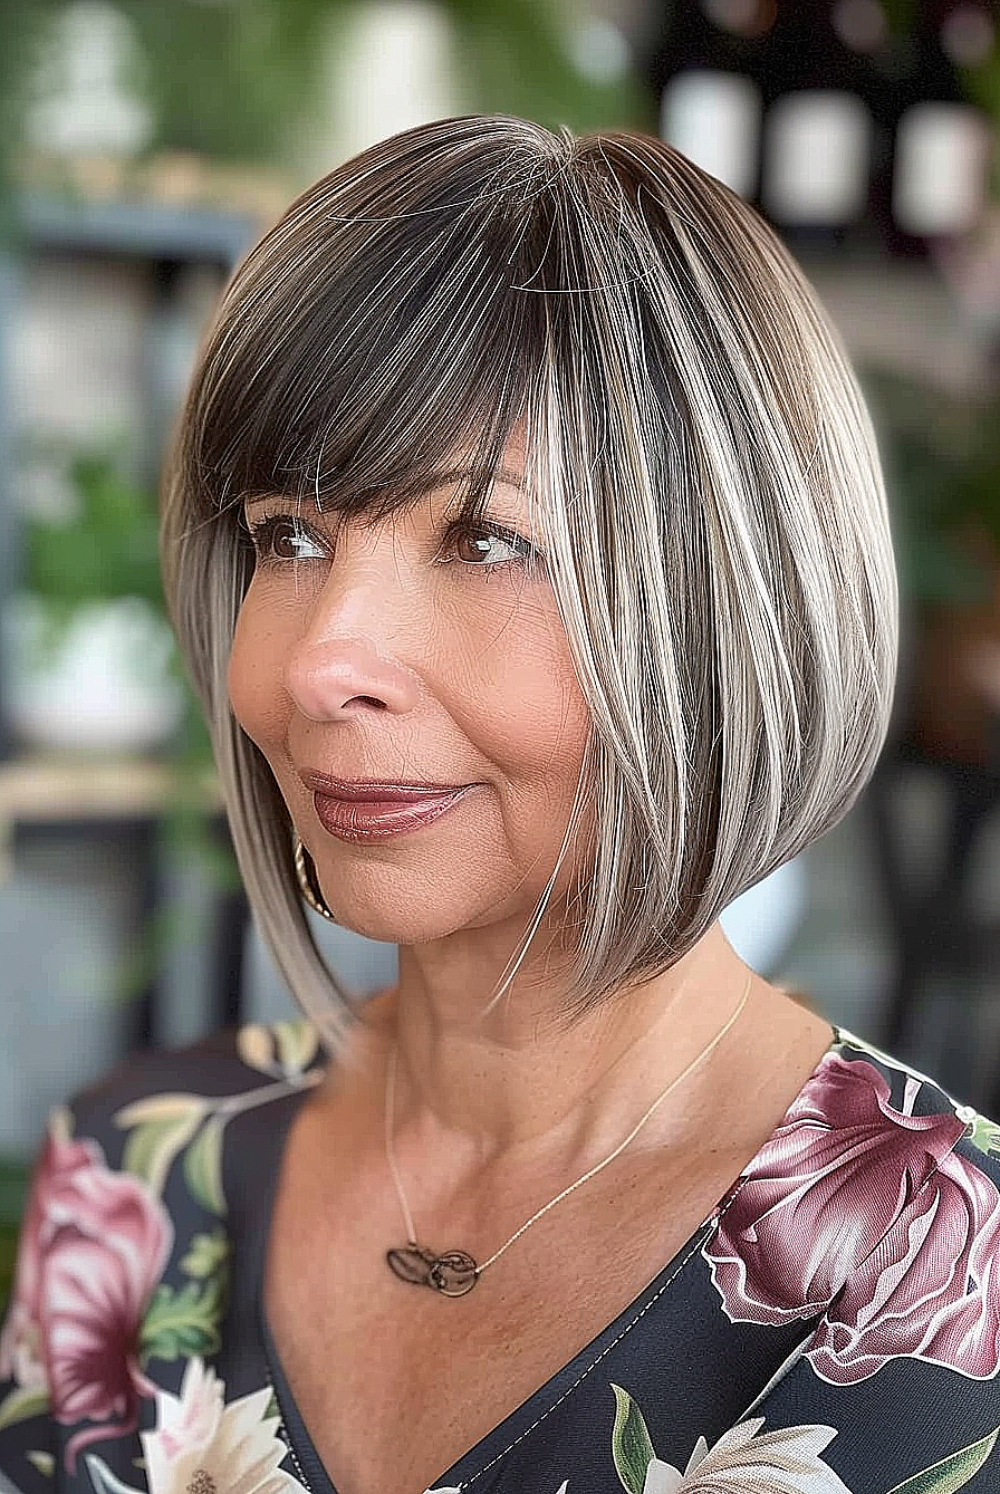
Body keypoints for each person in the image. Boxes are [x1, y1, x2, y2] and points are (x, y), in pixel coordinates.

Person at [1, 114, 998, 1494]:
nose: (324, 659)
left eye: (485, 540)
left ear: (728, 612)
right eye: (289, 534)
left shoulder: (941, 1290)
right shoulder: (136, 1180)